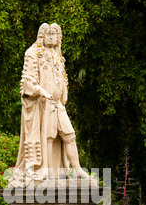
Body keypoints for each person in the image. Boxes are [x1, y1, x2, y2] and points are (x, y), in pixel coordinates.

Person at [10, 23, 89, 187]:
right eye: (49, 34)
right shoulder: (33, 53)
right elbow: (27, 80)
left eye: (55, 34)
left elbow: (62, 79)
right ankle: (45, 170)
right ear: (42, 36)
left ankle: (77, 169)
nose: (52, 37)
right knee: (49, 137)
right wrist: (40, 91)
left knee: (69, 135)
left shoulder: (57, 55)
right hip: (43, 104)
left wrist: (63, 94)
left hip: (58, 105)